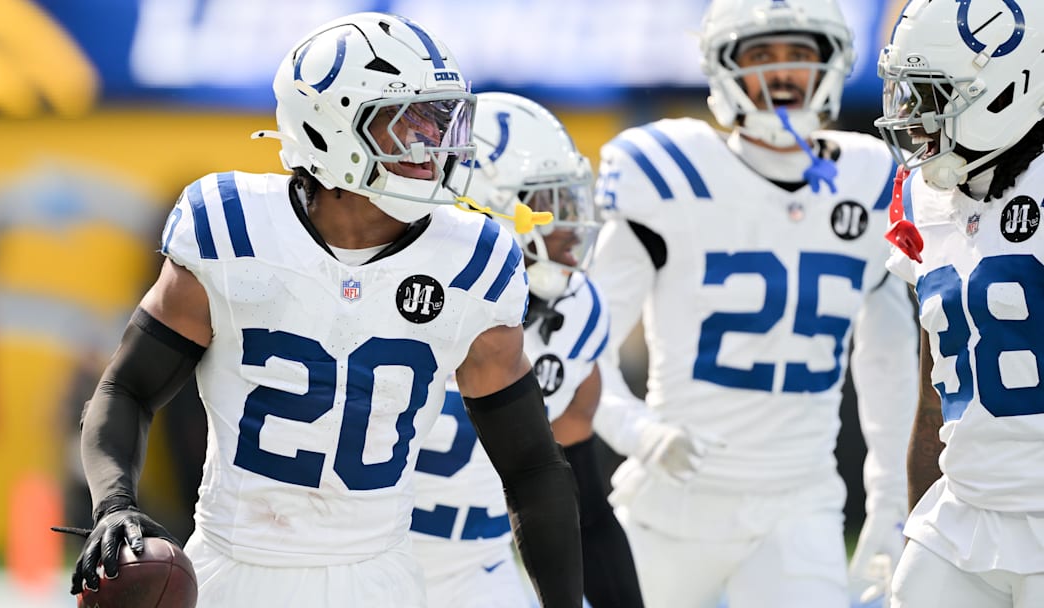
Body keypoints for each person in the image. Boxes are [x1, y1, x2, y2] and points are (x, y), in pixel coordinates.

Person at [55, 13, 582, 608]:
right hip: (234, 570)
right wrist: (115, 504)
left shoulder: (474, 259)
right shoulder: (231, 229)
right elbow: (126, 388)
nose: (432, 145)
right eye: (404, 122)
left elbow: (533, 465)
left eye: (438, 121)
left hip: (377, 578)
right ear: (328, 126)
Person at [589, 1, 919, 607]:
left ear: (833, 63)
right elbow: (583, 348)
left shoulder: (870, 175)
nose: (782, 73)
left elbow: (891, 359)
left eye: (799, 53)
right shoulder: (669, 172)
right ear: (721, 69)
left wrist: (891, 498)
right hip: (673, 500)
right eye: (761, 55)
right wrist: (638, 433)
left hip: (801, 502)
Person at [410, 92, 644, 607]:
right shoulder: (399, 294)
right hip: (367, 564)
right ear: (479, 209)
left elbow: (582, 510)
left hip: (482, 570)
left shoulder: (576, 314)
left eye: (570, 202)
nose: (569, 229)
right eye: (546, 206)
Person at [875, 1, 1044, 607]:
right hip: (963, 510)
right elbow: (934, 396)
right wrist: (920, 505)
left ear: (1008, 90)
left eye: (932, 96)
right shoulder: (925, 196)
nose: (913, 118)